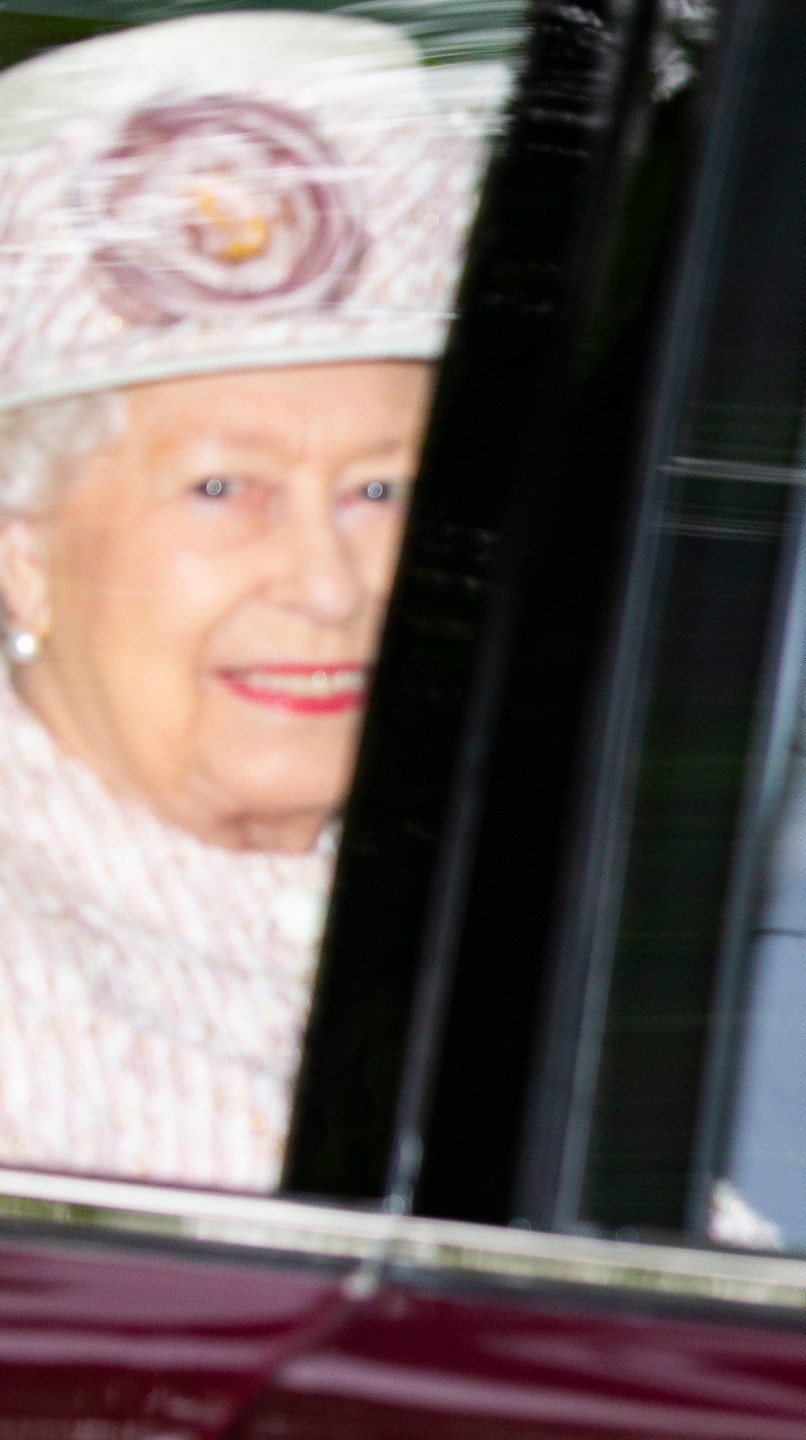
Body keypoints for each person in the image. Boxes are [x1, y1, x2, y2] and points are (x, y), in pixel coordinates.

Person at [0, 13, 496, 1190]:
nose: (331, 585)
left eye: (381, 488)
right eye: (223, 488)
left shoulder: (480, 867)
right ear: (20, 553)